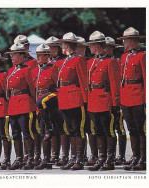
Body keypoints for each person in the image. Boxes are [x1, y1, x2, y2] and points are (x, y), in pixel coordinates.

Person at [87, 31, 120, 171]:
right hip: (93, 100)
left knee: (108, 131)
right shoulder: (90, 62)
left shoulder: (110, 62)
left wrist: (115, 104)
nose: (89, 48)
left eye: (91, 45)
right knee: (98, 131)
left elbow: (114, 84)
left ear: (97, 46)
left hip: (105, 100)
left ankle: (110, 159)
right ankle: (101, 158)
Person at [56, 32, 88, 170]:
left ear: (68, 45)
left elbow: (83, 80)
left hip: (75, 98)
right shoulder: (63, 62)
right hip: (64, 98)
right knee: (69, 129)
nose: (61, 47)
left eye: (63, 44)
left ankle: (79, 159)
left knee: (77, 129)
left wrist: (85, 101)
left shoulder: (78, 60)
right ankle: (73, 157)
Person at [117, 27, 146, 171]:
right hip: (126, 96)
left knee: (141, 129)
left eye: (126, 40)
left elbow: (147, 78)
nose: (124, 43)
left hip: (138, 95)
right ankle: (135, 156)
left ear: (133, 41)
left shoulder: (142, 56)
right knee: (132, 129)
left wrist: (147, 99)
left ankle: (143, 158)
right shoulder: (124, 57)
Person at [5, 43, 36, 170]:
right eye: (11, 54)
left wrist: (34, 104)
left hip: (25, 103)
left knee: (26, 132)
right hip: (13, 104)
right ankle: (19, 158)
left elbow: (32, 89)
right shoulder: (11, 70)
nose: (12, 57)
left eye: (14, 54)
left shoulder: (27, 69)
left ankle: (30, 158)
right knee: (15, 133)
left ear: (22, 56)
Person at [31, 44, 61, 170]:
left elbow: (57, 86)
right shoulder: (33, 70)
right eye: (37, 55)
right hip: (39, 104)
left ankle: (52, 157)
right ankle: (46, 159)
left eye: (41, 55)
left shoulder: (53, 68)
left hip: (50, 103)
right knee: (42, 130)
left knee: (49, 130)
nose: (38, 57)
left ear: (47, 56)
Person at [14, 35, 40, 165]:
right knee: (19, 129)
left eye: (23, 45)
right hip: (17, 101)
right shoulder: (15, 64)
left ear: (27, 47)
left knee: (31, 129)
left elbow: (33, 83)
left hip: (30, 99)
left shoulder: (33, 63)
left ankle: (35, 154)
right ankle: (24, 155)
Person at [105, 36, 127, 165]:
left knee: (120, 128)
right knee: (109, 127)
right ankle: (110, 154)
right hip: (106, 98)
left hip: (119, 98)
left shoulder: (117, 62)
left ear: (112, 48)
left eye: (107, 47)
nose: (105, 49)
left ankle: (121, 155)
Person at [45, 36, 67, 166]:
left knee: (62, 127)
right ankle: (54, 154)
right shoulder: (45, 62)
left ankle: (64, 155)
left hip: (59, 96)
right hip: (47, 98)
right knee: (51, 126)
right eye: (49, 47)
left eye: (53, 47)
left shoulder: (62, 61)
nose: (51, 50)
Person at [76, 36, 98, 166]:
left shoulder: (90, 62)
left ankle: (94, 154)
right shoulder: (74, 61)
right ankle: (81, 155)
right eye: (76, 47)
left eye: (80, 47)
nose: (79, 49)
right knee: (80, 128)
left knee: (91, 128)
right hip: (76, 99)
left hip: (90, 99)